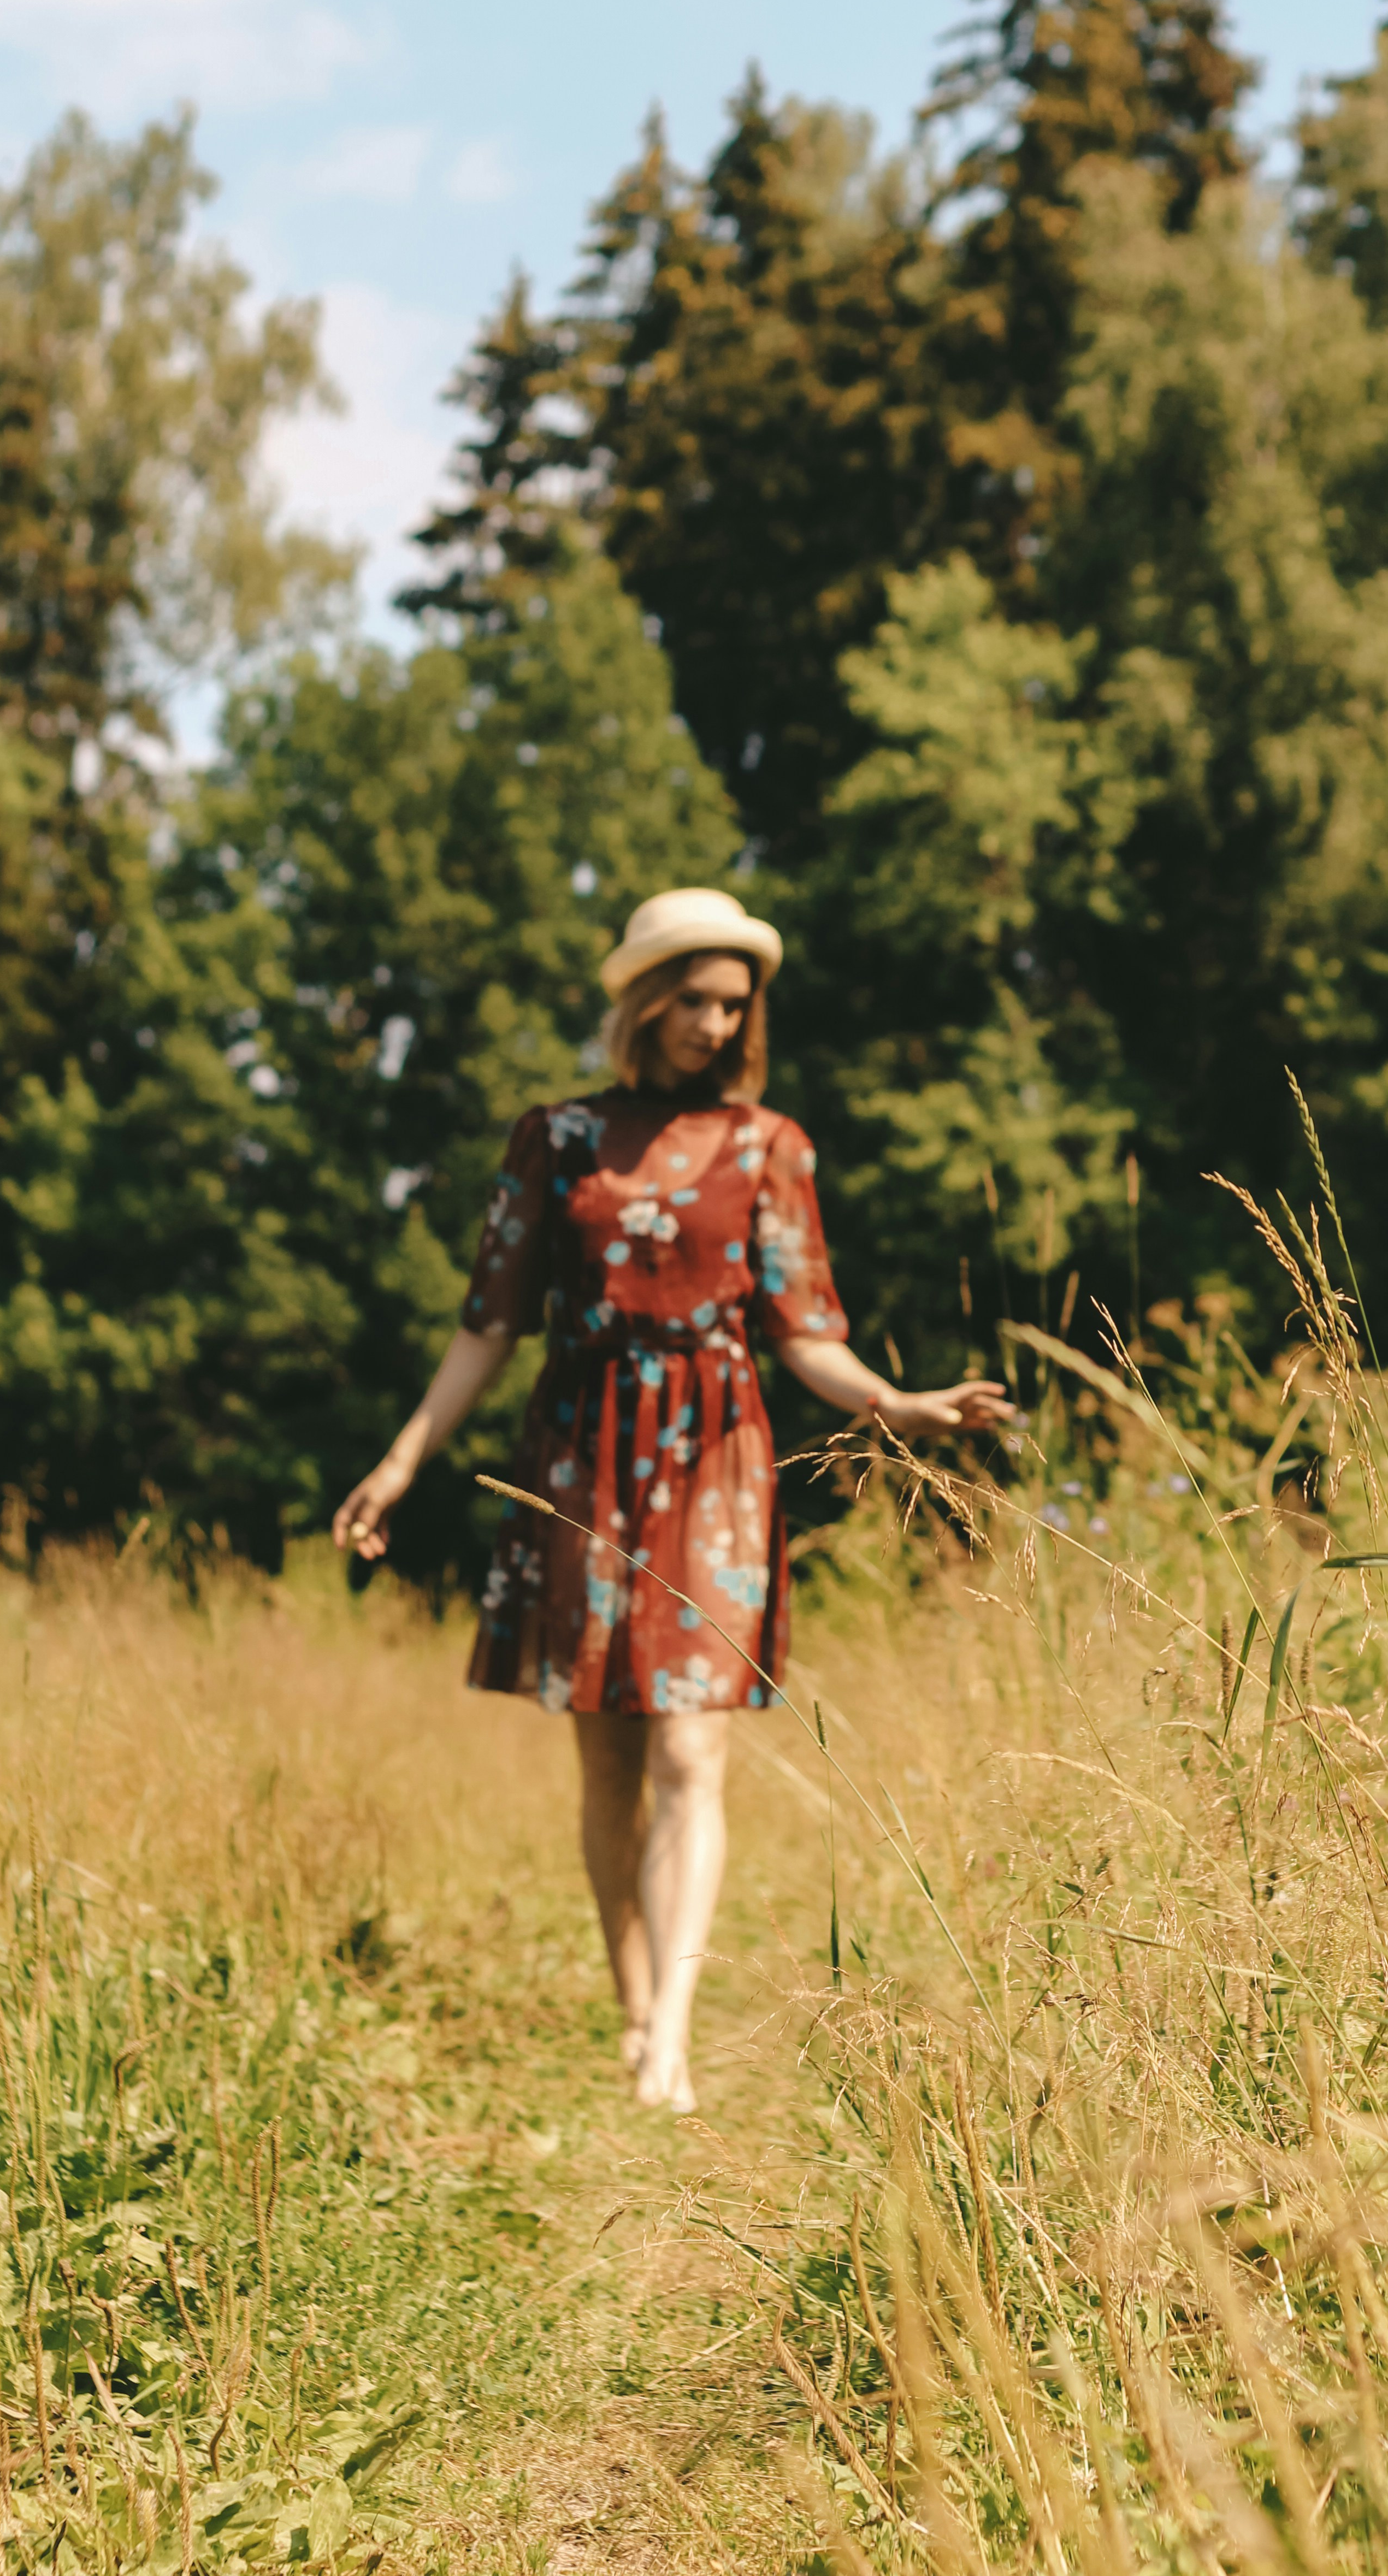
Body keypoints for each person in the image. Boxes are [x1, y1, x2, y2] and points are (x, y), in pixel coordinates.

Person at [333, 887, 1008, 2111]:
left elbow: (807, 1333)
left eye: (732, 1005)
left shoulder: (769, 1147)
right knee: (611, 1763)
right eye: (692, 1000)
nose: (712, 1024)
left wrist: (897, 1408)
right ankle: (636, 2006)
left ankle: (674, 2043)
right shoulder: (558, 1140)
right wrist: (402, 1460)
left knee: (694, 1748)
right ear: (645, 1000)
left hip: (717, 1458)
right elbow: (489, 1322)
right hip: (583, 1451)